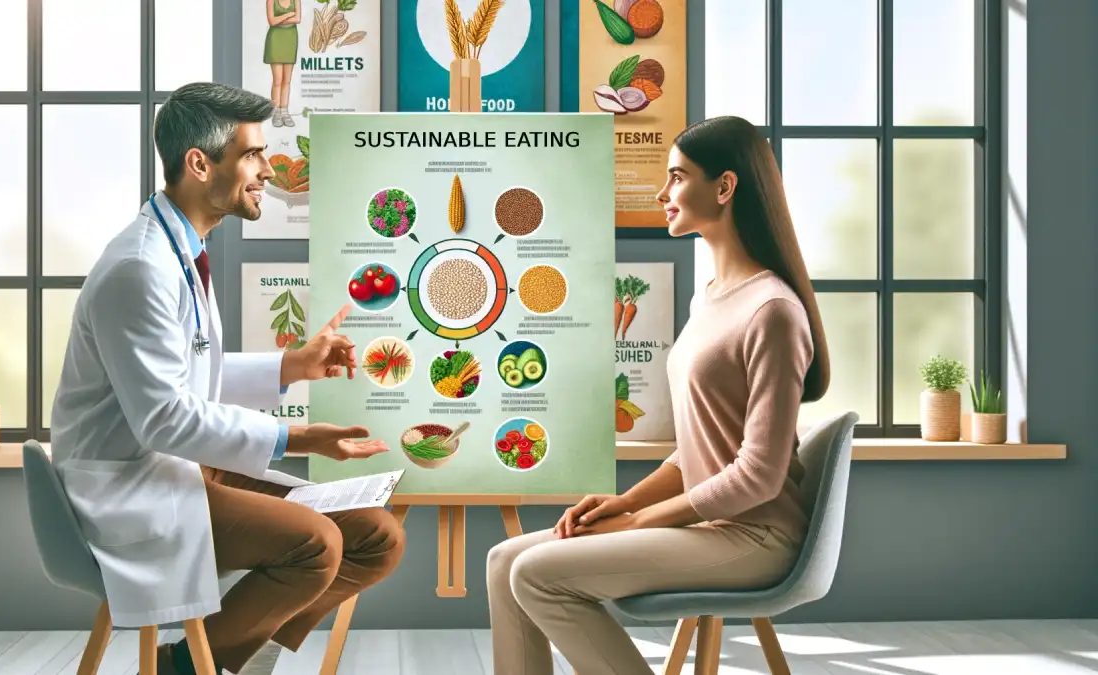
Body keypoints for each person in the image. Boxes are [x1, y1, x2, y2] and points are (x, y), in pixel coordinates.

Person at [50, 81, 405, 675]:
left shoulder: (179, 251)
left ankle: (207, 659)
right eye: (252, 154)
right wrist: (295, 438)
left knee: (377, 537)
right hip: (129, 484)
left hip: (181, 468)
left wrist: (292, 365)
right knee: (317, 546)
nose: (268, 169)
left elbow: (187, 372)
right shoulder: (140, 268)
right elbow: (164, 417)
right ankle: (195, 667)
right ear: (199, 163)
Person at [485, 115, 831, 675]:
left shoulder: (772, 311)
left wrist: (645, 523)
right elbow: (698, 447)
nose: (661, 192)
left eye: (676, 176)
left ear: (724, 187)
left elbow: (757, 477)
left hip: (757, 537)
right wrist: (625, 502)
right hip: (711, 527)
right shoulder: (713, 297)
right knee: (504, 561)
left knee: (536, 574)